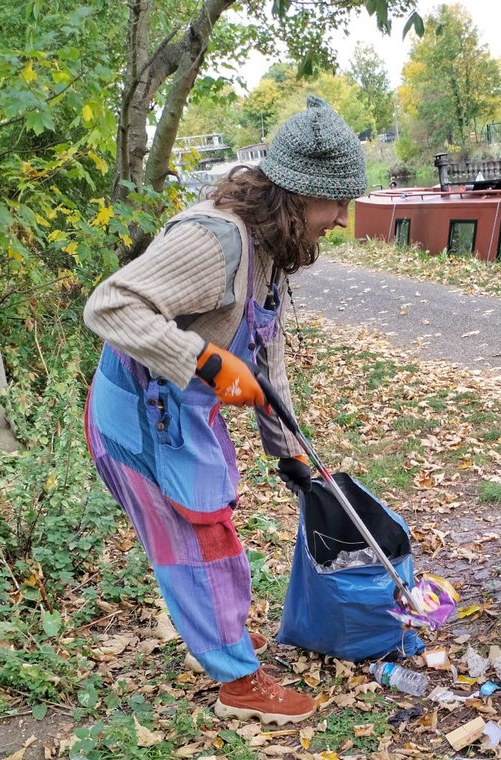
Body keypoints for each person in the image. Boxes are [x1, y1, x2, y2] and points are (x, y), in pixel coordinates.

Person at [83, 97, 366, 725]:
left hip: (184, 412)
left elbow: (266, 355)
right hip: (138, 420)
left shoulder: (268, 250)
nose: (341, 219)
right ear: (297, 195)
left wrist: (286, 446)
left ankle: (227, 634)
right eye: (336, 203)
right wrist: (207, 363)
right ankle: (237, 683)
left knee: (218, 522)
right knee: (195, 539)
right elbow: (108, 306)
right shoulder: (213, 243)